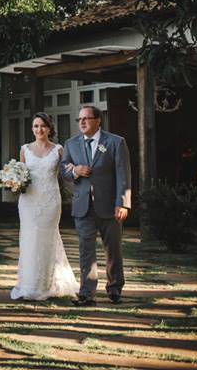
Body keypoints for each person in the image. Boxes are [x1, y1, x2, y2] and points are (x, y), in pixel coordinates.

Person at [61, 105, 131, 306]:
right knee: (86, 251)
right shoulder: (71, 144)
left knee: (113, 250)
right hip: (83, 207)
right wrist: (75, 171)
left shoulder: (116, 142)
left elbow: (123, 175)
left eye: (87, 118)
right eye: (79, 119)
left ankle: (115, 289)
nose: (82, 122)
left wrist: (123, 203)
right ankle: (86, 293)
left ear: (98, 120)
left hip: (110, 207)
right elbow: (63, 170)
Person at [10, 112, 79, 300]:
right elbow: (21, 174)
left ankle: (47, 285)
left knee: (47, 239)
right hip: (29, 202)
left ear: (49, 128)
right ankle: (29, 284)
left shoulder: (58, 150)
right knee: (30, 240)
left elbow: (66, 174)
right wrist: (13, 182)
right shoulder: (24, 149)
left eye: (42, 126)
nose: (39, 129)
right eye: (35, 126)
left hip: (50, 201)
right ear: (32, 129)